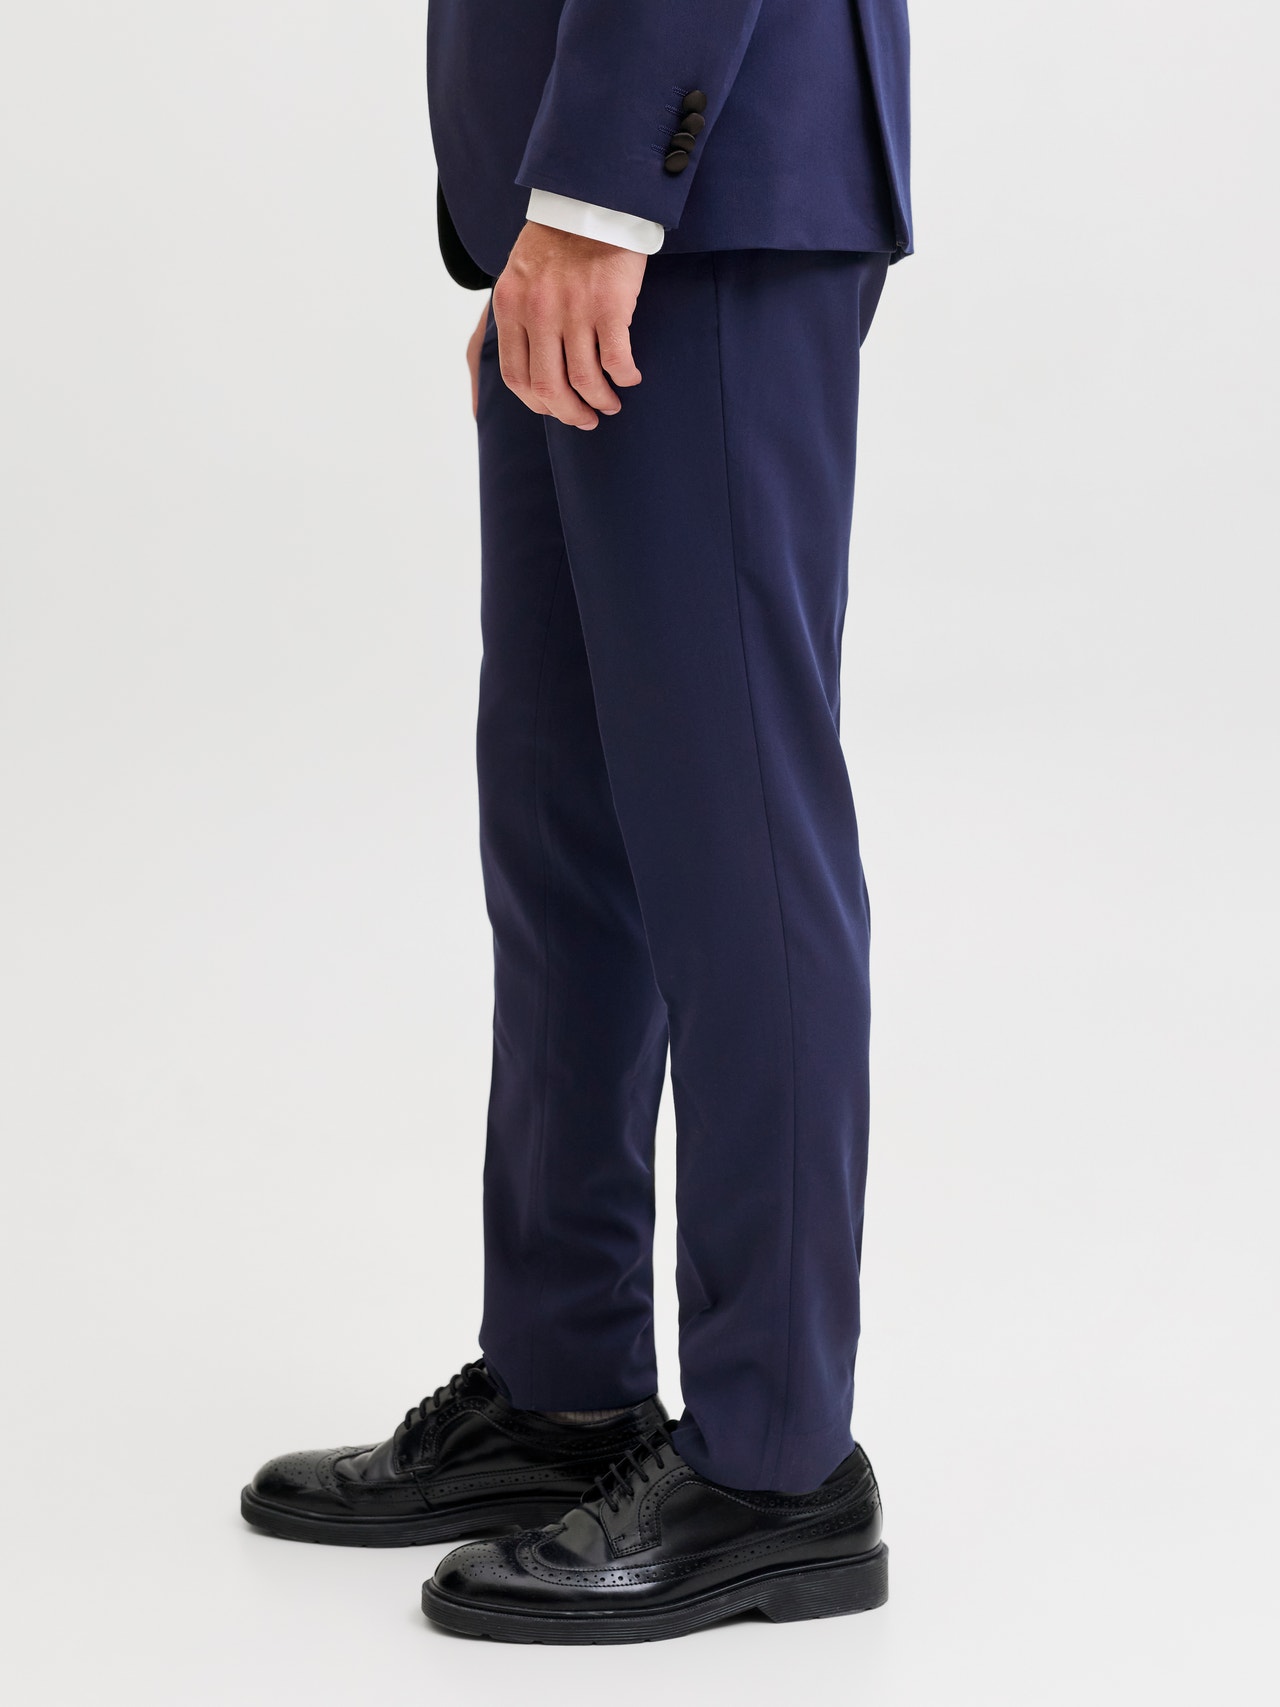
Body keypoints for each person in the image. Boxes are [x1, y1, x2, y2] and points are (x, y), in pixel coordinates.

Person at [241, 0, 913, 1644]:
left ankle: (775, 1461)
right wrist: (548, 206)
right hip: (582, 198)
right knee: (566, 825)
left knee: (733, 833)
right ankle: (565, 1389)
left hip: (692, 187)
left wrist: (603, 195)